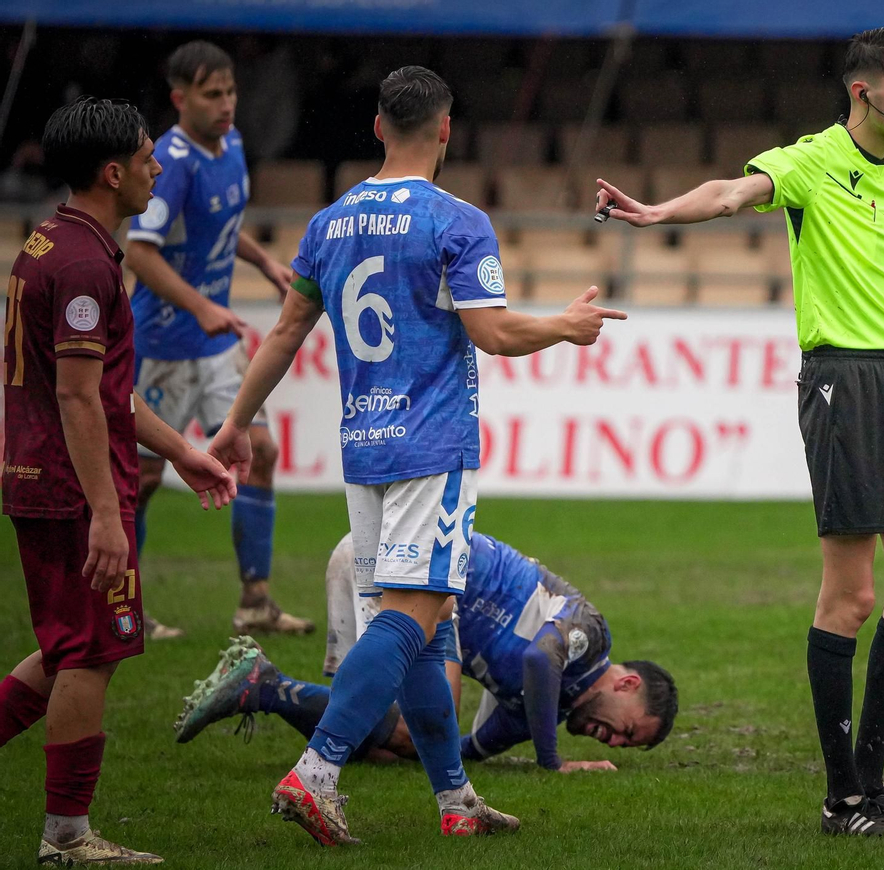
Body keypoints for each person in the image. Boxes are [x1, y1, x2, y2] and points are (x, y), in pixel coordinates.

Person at [207, 65, 625, 846]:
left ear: (375, 128)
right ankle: (317, 772)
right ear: (444, 128)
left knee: (432, 634)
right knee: (409, 621)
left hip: (363, 448)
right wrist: (566, 326)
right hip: (432, 446)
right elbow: (493, 332)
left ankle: (456, 800)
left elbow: (287, 332)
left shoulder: (329, 222)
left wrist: (236, 419)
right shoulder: (456, 220)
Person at [594, 27, 884, 838]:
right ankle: (843, 801)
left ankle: (870, 785)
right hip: (844, 381)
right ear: (863, 93)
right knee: (853, 595)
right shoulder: (810, 159)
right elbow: (730, 192)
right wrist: (657, 214)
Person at [0, 96, 236, 866]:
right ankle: (66, 835)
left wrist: (182, 450)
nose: (155, 166)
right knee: (93, 652)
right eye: (144, 158)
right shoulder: (80, 262)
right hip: (71, 488)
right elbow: (75, 395)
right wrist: (107, 512)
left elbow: (105, 389)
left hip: (49, 476)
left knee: (69, 645)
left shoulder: (56, 243)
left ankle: (66, 830)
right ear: (113, 172)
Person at [173, 531, 677, 772]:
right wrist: (552, 763)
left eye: (623, 748)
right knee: (425, 723)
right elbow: (538, 659)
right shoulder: (591, 635)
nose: (612, 743)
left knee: (398, 746)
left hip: (399, 574)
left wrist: (524, 759)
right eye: (627, 731)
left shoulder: (540, 711)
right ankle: (261, 687)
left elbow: (460, 752)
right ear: (627, 683)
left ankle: (262, 686)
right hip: (423, 571)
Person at [124, 41, 309, 639]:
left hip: (213, 341)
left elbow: (222, 229)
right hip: (161, 343)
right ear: (180, 99)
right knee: (142, 479)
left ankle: (255, 600)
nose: (227, 104)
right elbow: (139, 251)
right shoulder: (172, 161)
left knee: (260, 452)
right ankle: (123, 606)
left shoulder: (230, 146)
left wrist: (262, 262)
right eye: (212, 94)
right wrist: (201, 304)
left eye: (230, 91)